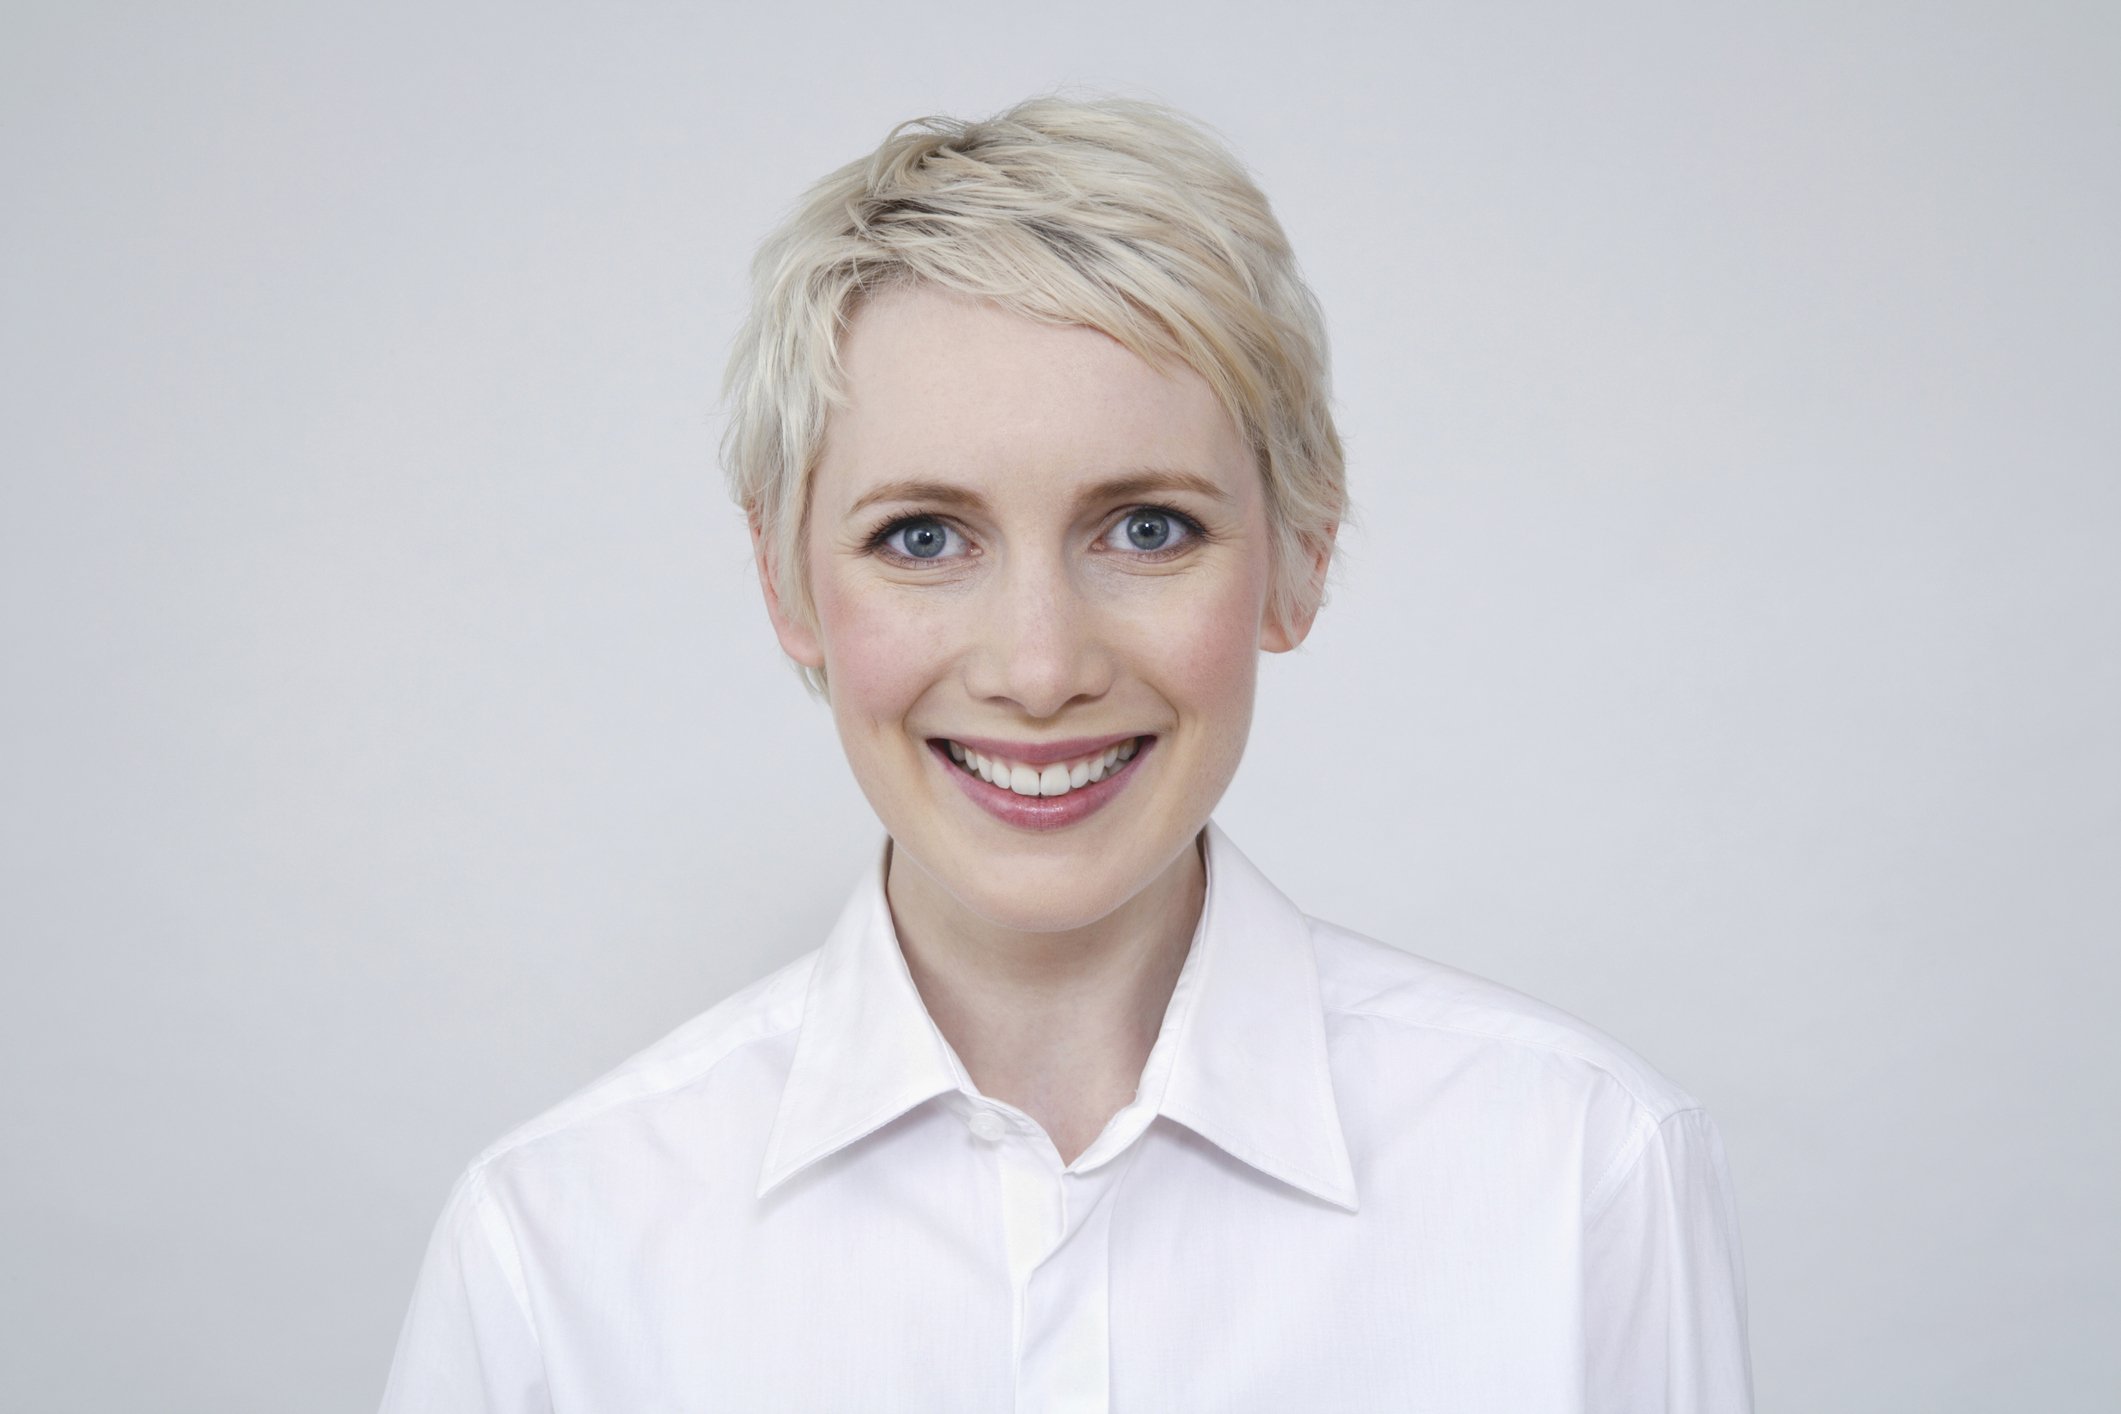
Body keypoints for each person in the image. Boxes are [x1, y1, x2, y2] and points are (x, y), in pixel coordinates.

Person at [379, 95, 1753, 1412]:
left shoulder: (1578, 1172)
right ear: (786, 585)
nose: (1039, 668)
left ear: (1301, 555)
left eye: (1145, 527)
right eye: (922, 536)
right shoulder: (553, 1248)